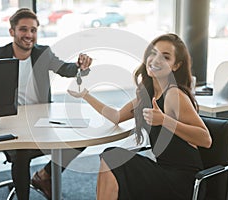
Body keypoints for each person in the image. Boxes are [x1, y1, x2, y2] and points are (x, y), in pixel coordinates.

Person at [68, 33, 212, 200]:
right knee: (112, 157)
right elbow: (116, 116)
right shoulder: (147, 94)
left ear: (176, 65)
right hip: (163, 171)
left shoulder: (174, 94)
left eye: (165, 57)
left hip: (182, 181)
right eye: (153, 53)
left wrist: (164, 120)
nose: (156, 60)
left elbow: (205, 139)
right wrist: (85, 95)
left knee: (112, 158)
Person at [0, 8, 92, 200]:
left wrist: (79, 66)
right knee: (22, 153)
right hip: (10, 124)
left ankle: (44, 175)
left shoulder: (43, 53)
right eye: (23, 29)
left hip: (41, 121)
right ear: (12, 32)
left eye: (33, 30)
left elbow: (65, 69)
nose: (29, 35)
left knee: (80, 138)